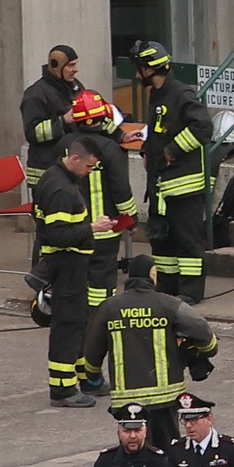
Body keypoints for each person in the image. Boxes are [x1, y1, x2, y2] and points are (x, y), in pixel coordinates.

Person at [85, 254, 220, 448]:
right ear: (152, 275)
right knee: (168, 451)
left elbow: (92, 350)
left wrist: (93, 374)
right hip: (166, 397)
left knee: (135, 451)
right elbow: (201, 329)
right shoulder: (169, 304)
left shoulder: (109, 307)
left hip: (127, 400)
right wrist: (210, 349)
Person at [35, 134, 116, 407]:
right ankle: (62, 389)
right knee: (67, 326)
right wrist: (93, 228)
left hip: (70, 266)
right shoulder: (62, 190)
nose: (90, 172)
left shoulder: (56, 178)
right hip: (66, 264)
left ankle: (84, 378)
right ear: (75, 158)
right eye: (89, 167)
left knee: (79, 323)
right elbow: (58, 234)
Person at [132, 39, 212, 304]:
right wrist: (148, 150)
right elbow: (158, 130)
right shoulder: (158, 95)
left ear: (150, 68)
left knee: (187, 239)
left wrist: (172, 151)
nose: (136, 75)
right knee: (162, 240)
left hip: (183, 185)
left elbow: (203, 127)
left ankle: (190, 291)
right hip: (161, 185)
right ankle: (167, 287)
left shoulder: (181, 94)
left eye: (139, 69)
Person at [70, 91, 138, 349]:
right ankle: (100, 322)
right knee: (102, 279)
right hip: (105, 228)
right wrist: (129, 217)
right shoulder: (109, 149)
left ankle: (77, 318)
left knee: (78, 276)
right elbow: (120, 188)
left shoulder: (66, 145)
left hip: (74, 227)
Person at [21, 45, 83, 189]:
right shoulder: (35, 94)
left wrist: (120, 135)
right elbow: (32, 133)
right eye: (70, 65)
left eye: (76, 64)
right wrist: (63, 121)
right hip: (45, 173)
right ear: (56, 66)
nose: (76, 69)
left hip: (69, 170)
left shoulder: (74, 86)